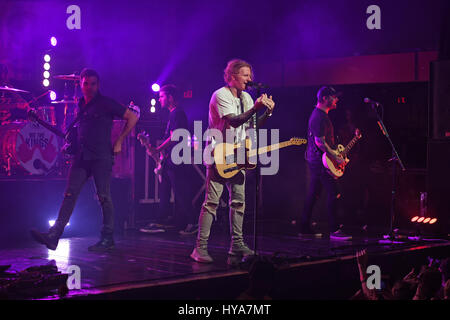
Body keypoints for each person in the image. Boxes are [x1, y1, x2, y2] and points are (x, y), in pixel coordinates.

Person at [30, 68, 139, 252]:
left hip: (101, 156)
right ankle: (54, 235)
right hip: (82, 156)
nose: (89, 87)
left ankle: (107, 238)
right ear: (80, 84)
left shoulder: (106, 103)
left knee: (104, 197)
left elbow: (132, 117)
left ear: (98, 85)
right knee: (69, 195)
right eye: (85, 83)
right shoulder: (80, 105)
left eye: (93, 84)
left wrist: (119, 141)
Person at [190, 59, 275, 263]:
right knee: (211, 202)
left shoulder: (246, 97)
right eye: (245, 75)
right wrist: (255, 108)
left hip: (238, 155)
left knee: (238, 202)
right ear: (231, 76)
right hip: (219, 153)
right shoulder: (220, 95)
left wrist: (267, 112)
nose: (250, 79)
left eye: (250, 75)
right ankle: (199, 248)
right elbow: (234, 120)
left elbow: (251, 126)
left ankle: (237, 245)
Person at [139, 84, 197, 235]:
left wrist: (158, 149)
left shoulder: (177, 113)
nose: (159, 100)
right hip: (172, 158)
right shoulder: (174, 114)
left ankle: (192, 222)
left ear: (170, 97)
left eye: (162, 96)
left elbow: (175, 136)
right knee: (166, 189)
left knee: (180, 191)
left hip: (177, 158)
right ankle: (163, 220)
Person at [298, 86, 351, 240]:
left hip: (317, 161)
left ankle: (304, 227)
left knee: (313, 194)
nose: (337, 100)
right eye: (334, 97)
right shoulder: (319, 117)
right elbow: (320, 142)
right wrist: (336, 157)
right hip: (320, 163)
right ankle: (335, 230)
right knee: (334, 193)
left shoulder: (322, 116)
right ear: (325, 98)